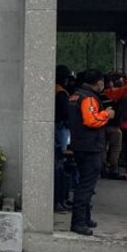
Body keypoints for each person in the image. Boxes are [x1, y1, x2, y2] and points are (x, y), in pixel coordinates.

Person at [67, 69, 114, 236]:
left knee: (84, 183)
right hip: (90, 147)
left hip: (79, 145)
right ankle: (78, 222)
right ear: (99, 82)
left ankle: (85, 218)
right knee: (86, 186)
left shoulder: (75, 95)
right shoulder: (88, 98)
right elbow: (91, 120)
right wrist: (106, 114)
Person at [54, 65, 73, 212]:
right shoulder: (60, 93)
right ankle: (59, 200)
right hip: (61, 129)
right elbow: (66, 113)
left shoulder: (54, 90)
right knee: (60, 163)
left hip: (58, 129)